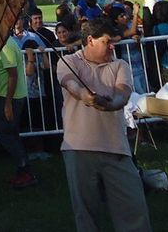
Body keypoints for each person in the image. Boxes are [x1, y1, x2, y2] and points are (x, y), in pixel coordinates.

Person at [56, 18, 151, 232]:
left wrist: (109, 104)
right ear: (90, 40)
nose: (112, 47)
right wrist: (86, 96)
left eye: (113, 42)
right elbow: (70, 84)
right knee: (86, 215)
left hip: (116, 149)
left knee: (134, 209)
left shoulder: (120, 65)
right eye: (107, 42)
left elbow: (122, 94)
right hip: (78, 149)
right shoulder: (68, 61)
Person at [0, 33, 35, 190]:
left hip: (9, 98)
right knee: (12, 134)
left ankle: (25, 169)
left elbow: (13, 75)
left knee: (5, 135)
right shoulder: (5, 42)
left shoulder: (6, 46)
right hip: (7, 96)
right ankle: (23, 171)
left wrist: (8, 103)